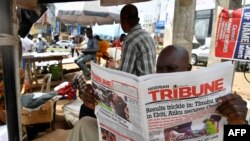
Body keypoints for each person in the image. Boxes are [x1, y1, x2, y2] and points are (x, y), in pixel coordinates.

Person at [119, 4, 156, 76]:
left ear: (123, 21)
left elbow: (124, 74)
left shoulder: (130, 40)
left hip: (139, 85)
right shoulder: (147, 35)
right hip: (149, 84)